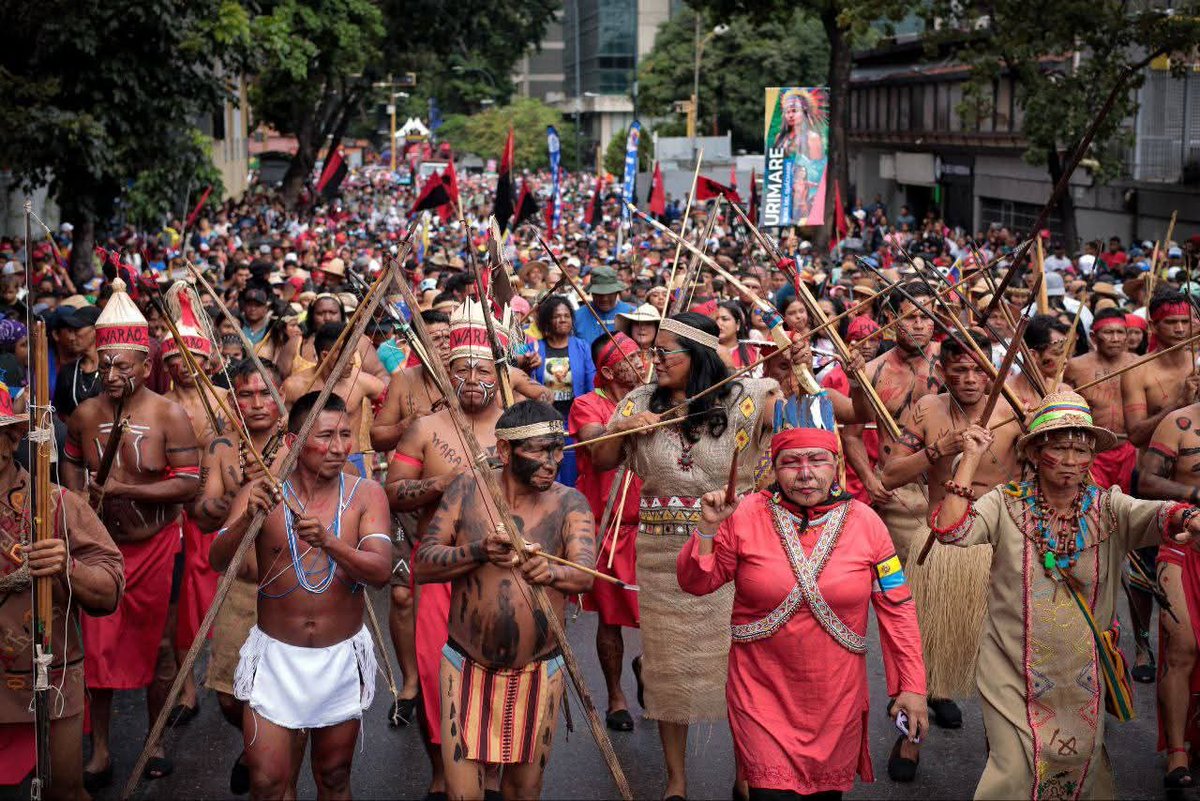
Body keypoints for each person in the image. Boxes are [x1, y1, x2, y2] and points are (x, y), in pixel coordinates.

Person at [929, 391, 1200, 799]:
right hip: (1011, 672)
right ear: (1036, 453)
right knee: (1013, 770)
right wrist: (969, 457)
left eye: (1081, 449)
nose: (1072, 461)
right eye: (1059, 448)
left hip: (1081, 678)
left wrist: (1189, 515)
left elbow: (1157, 513)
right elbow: (951, 532)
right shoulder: (1005, 504)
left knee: (1079, 772)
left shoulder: (1107, 508)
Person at [677, 426, 927, 799]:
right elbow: (697, 583)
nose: (805, 473)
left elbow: (897, 607)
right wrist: (709, 529)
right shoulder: (743, 515)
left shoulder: (868, 524)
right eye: (791, 462)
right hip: (761, 693)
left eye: (817, 460)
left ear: (837, 466)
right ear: (774, 469)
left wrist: (911, 686)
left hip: (835, 699)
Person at [591, 312, 779, 800]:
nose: (653, 360)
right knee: (665, 667)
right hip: (660, 558)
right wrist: (625, 425)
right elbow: (602, 460)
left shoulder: (746, 397)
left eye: (663, 351)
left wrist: (795, 377)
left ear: (696, 356)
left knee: (740, 666)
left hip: (733, 553)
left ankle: (746, 775)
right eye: (651, 351)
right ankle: (676, 782)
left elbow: (797, 416)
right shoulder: (637, 400)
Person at [210, 391, 392, 800]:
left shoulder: (366, 494)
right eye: (326, 435)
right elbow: (218, 559)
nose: (339, 447)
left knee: (333, 776)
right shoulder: (263, 493)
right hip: (276, 658)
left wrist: (331, 543)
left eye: (346, 434)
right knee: (268, 783)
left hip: (339, 656)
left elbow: (380, 571)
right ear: (293, 442)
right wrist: (246, 522)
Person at [416, 400, 595, 800]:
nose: (552, 461)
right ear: (503, 451)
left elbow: (584, 573)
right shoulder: (467, 489)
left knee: (524, 792)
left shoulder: (570, 503)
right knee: (463, 795)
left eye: (558, 449)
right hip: (465, 667)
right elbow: (424, 564)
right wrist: (478, 551)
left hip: (537, 671)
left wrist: (550, 572)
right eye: (540, 451)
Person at [62, 278, 201, 786]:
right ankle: (99, 750)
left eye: (125, 364)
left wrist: (128, 490)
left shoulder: (170, 415)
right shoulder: (84, 416)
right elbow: (71, 480)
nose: (114, 374)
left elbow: (188, 484)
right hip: (103, 551)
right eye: (107, 363)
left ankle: (155, 738)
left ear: (147, 367)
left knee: (159, 649)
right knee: (96, 648)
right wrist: (81, 509)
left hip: (159, 547)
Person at [384, 299, 506, 800]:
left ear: (499, 372)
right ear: (446, 372)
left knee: (501, 673)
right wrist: (445, 482)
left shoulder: (519, 425)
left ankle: (494, 776)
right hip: (438, 570)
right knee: (438, 678)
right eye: (461, 368)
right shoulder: (425, 428)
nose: (472, 376)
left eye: (481, 367)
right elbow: (394, 492)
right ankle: (441, 770)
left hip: (503, 572)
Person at [879, 332, 1024, 748]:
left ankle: (1002, 747)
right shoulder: (927, 409)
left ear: (994, 369)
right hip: (939, 542)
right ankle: (909, 741)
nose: (971, 379)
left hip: (997, 543)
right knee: (922, 642)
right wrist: (936, 451)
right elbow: (890, 474)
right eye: (959, 370)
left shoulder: (1015, 412)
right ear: (942, 372)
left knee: (1003, 649)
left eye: (979, 369)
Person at [0, 381, 124, 800]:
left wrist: (66, 567)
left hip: (46, 672)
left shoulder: (57, 503)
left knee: (64, 791)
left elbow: (109, 589)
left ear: (11, 439)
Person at [191, 358, 287, 795]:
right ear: (233, 400)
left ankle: (272, 763)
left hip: (289, 588)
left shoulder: (300, 443)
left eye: (265, 392)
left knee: (285, 694)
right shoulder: (222, 447)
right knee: (230, 696)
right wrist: (239, 491)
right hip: (238, 587)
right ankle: (255, 749)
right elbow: (205, 515)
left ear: (281, 394)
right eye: (245, 394)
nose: (257, 402)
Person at [569, 333, 645, 731]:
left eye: (644, 355)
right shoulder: (587, 404)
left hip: (650, 524)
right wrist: (628, 421)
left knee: (659, 614)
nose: (644, 362)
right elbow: (594, 443)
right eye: (634, 358)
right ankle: (616, 697)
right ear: (610, 370)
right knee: (609, 619)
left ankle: (648, 667)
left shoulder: (656, 399)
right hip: (606, 527)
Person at [1133, 399, 1200, 788]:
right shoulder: (1179, 422)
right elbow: (1147, 482)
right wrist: (1193, 494)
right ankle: (1177, 750)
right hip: (1181, 547)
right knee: (1182, 647)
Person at [1123, 289, 1199, 447]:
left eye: (1185, 322)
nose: (1180, 329)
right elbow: (1136, 436)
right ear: (1153, 326)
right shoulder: (1136, 372)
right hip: (1157, 468)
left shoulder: (1198, 361)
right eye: (1171, 322)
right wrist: (1180, 404)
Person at [532, 296, 594, 487]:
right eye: (557, 316)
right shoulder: (534, 347)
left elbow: (591, 379)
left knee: (571, 466)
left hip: (573, 419)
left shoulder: (582, 346)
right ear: (547, 321)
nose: (563, 320)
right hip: (544, 420)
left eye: (567, 316)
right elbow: (517, 361)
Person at [573, 267, 634, 346]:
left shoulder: (631, 313)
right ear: (592, 293)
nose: (604, 299)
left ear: (617, 292)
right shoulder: (577, 317)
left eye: (609, 294)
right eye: (599, 294)